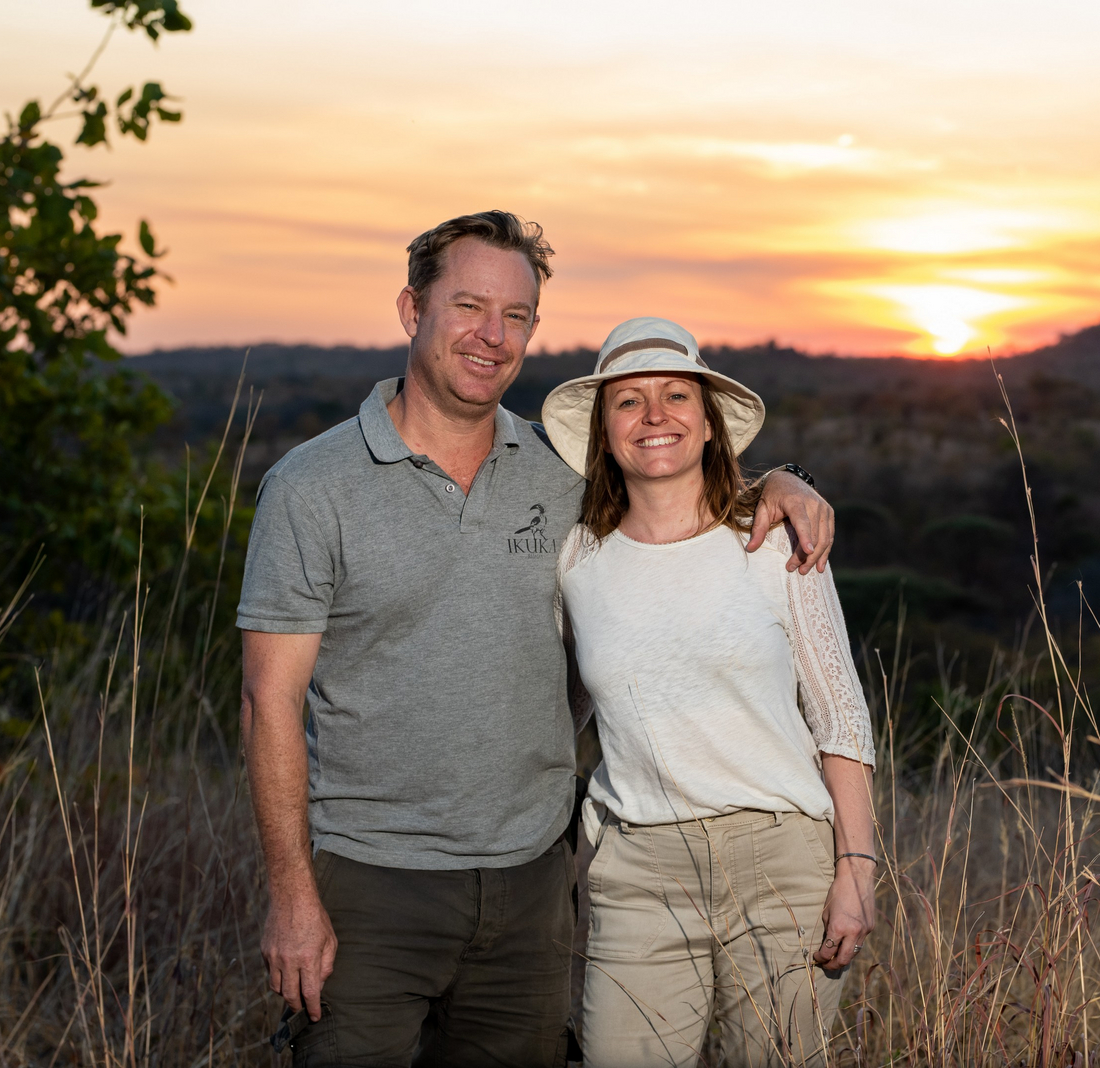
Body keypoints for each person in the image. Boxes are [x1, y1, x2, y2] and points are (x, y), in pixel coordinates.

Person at [237, 211, 835, 1068]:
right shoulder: (311, 487)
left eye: (515, 316)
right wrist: (292, 896)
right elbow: (269, 701)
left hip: (532, 888)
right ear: (412, 310)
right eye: (469, 306)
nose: (492, 336)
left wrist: (788, 479)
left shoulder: (562, 479)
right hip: (371, 885)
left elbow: (680, 498)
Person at [544, 317, 878, 1067]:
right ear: (603, 432)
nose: (654, 415)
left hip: (782, 861)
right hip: (639, 873)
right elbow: (559, 713)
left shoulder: (775, 543)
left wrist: (856, 870)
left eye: (675, 396)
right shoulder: (575, 561)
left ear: (707, 423)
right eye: (628, 401)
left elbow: (841, 718)